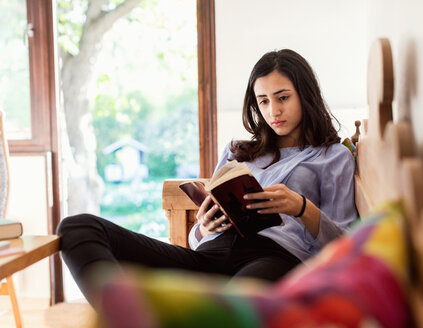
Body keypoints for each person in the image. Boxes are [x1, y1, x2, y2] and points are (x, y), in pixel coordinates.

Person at [57, 49, 358, 308]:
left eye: (282, 98)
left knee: (224, 309)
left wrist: (301, 207)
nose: (273, 111)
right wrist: (203, 227)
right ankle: (122, 317)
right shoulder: (237, 153)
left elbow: (345, 243)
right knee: (77, 227)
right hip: (212, 255)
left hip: (276, 257)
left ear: (305, 96)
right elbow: (196, 239)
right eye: (263, 101)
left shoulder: (332, 156)